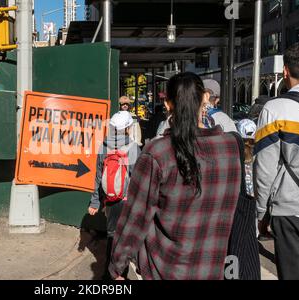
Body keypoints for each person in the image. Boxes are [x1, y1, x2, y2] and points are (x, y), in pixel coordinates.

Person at [109, 72, 243, 280]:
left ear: (168, 104)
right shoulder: (231, 148)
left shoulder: (157, 152)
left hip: (164, 268)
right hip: (213, 268)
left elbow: (135, 218)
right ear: (205, 98)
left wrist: (117, 266)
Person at [254, 43, 299, 280]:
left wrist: (261, 212)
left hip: (291, 208)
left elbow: (264, 168)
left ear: (285, 71)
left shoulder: (275, 109)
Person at [88, 111, 141, 279]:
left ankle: (109, 274)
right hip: (128, 201)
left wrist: (95, 202)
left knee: (112, 235)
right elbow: (138, 178)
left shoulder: (103, 146)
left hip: (110, 199)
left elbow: (98, 176)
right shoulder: (133, 148)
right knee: (127, 236)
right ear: (128, 128)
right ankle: (121, 273)